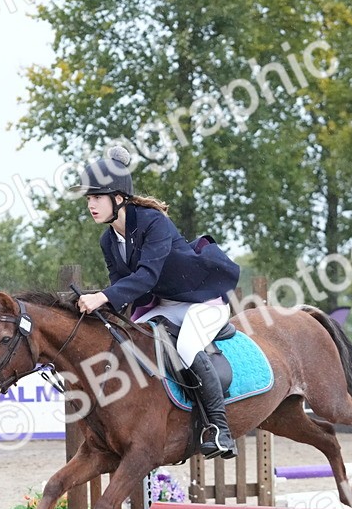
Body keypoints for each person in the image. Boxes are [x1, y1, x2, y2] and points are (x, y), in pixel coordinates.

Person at [74, 145, 241, 459]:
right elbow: (122, 286)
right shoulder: (108, 239)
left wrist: (101, 297)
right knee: (129, 344)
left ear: (119, 198)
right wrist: (97, 309)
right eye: (89, 199)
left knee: (189, 347)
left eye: (97, 197)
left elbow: (147, 276)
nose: (91, 205)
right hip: (164, 304)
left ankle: (219, 430)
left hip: (202, 301)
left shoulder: (154, 222)